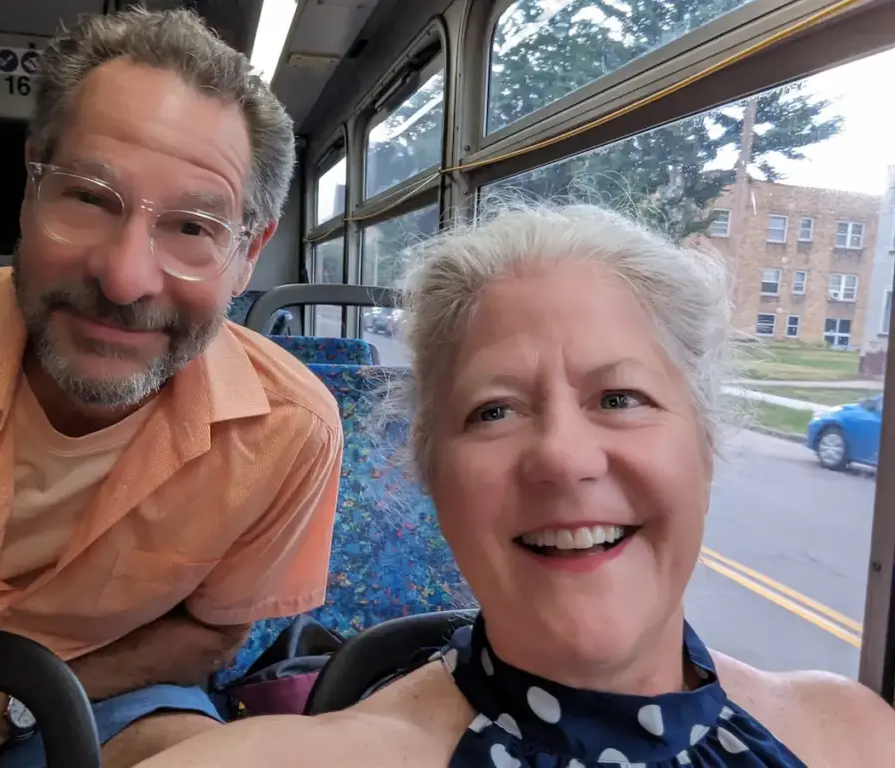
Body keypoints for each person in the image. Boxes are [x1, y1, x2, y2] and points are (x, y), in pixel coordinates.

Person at [136, 202, 895, 768]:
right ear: (432, 473)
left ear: (705, 440)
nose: (564, 458)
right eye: (494, 411)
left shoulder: (858, 736)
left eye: (620, 399)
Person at [0, 7, 342, 768]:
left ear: (249, 252)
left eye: (193, 228)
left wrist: (3, 700)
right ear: (30, 190)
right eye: (89, 197)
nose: (125, 279)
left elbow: (211, 632)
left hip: (104, 690)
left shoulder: (291, 431)